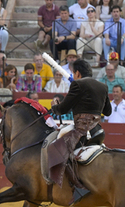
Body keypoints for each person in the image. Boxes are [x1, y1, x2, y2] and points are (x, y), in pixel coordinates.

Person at [47, 58, 112, 197]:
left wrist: (54, 107)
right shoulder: (103, 86)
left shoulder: (77, 84)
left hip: (82, 131)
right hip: (98, 130)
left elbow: (64, 108)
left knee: (55, 148)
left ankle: (78, 187)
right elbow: (108, 112)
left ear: (77, 73)